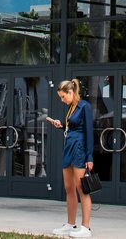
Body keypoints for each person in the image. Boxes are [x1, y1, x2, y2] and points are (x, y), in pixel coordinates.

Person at [45, 78, 94, 239]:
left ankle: (85, 228)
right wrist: (61, 126)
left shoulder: (84, 106)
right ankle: (70, 224)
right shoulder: (71, 107)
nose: (62, 100)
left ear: (71, 92)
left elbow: (88, 133)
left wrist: (89, 156)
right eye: (60, 97)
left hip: (79, 150)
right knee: (68, 187)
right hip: (68, 148)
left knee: (82, 189)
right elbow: (71, 128)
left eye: (63, 96)